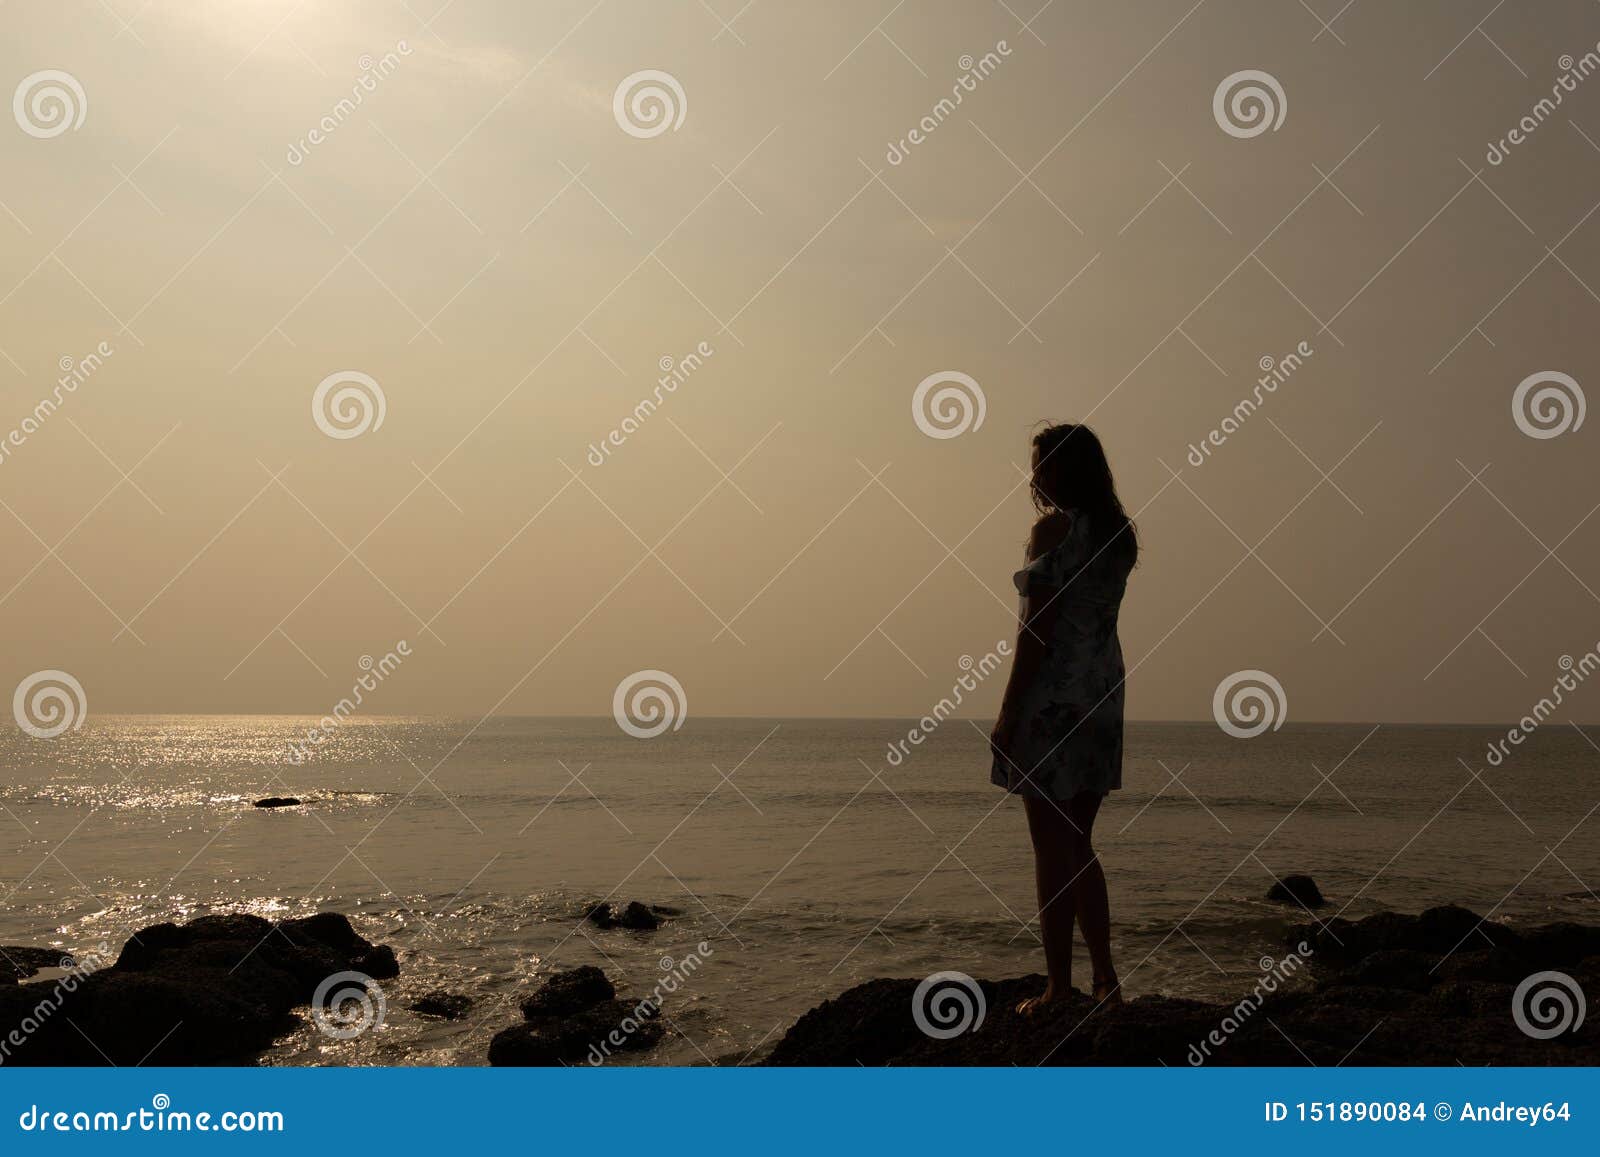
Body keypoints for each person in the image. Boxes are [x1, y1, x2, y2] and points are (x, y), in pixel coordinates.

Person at [990, 423, 1138, 1013]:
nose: (1038, 477)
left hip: (1053, 701)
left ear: (1065, 471)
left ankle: (1057, 987)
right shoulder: (1119, 535)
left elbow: (1037, 629)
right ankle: (1105, 980)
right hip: (1102, 696)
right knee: (1079, 843)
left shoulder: (1053, 531)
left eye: (1045, 466)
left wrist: (1008, 711)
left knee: (1051, 849)